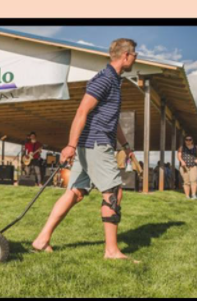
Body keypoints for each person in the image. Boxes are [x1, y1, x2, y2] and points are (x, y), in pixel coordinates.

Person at [30, 38, 139, 262]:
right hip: (96, 145)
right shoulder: (104, 79)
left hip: (92, 144)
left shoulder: (115, 81)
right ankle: (111, 251)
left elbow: (112, 120)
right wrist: (70, 145)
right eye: (135, 53)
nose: (136, 57)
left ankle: (41, 240)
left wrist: (126, 146)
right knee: (113, 192)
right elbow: (82, 111)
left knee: (75, 193)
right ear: (125, 55)